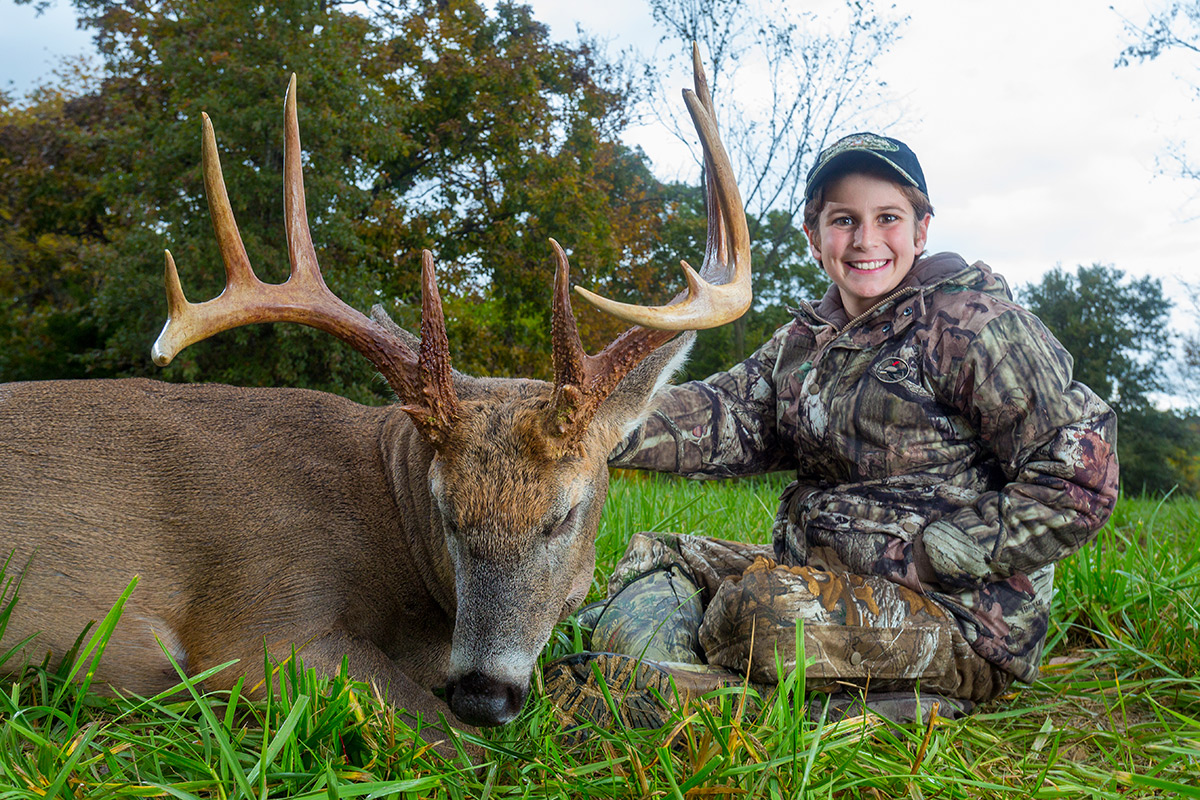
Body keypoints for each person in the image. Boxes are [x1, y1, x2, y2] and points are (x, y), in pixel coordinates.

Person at [544, 132, 1119, 728]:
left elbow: (1081, 474)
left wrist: (937, 555)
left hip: (959, 618)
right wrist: (592, 421)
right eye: (844, 220)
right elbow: (724, 414)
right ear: (814, 238)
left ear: (921, 231)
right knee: (658, 562)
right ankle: (697, 690)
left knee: (757, 618)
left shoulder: (976, 327)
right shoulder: (805, 342)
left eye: (888, 218)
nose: (866, 240)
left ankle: (707, 704)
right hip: (821, 583)